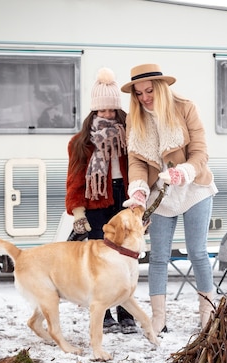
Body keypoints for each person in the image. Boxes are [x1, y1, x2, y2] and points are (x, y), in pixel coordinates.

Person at [120, 63, 218, 335]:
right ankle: (158, 318)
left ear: (161, 87)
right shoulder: (135, 117)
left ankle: (207, 314)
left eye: (149, 91)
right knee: (158, 256)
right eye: (138, 93)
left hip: (193, 187)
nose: (144, 97)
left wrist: (183, 171)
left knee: (197, 251)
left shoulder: (185, 108)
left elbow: (200, 153)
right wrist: (138, 189)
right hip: (160, 194)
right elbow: (136, 160)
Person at [65, 67, 137, 335]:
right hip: (96, 202)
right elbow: (74, 180)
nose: (108, 115)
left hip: (125, 199)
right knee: (101, 259)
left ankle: (126, 311)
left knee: (127, 255)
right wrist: (78, 213)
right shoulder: (80, 142)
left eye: (112, 110)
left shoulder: (131, 135)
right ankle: (104, 312)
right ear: (94, 112)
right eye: (102, 110)